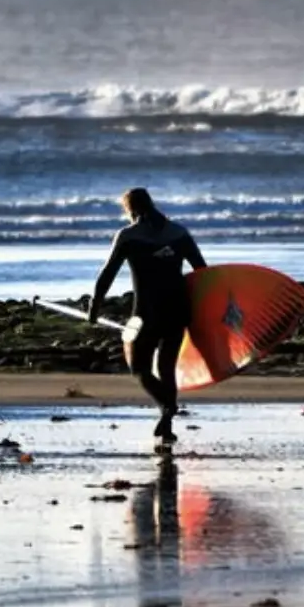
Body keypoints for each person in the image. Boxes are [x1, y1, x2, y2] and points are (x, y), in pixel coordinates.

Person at [89, 187, 207, 448]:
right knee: (166, 367)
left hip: (146, 313)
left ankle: (167, 407)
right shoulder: (179, 232)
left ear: (129, 209)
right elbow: (202, 271)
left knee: (139, 368)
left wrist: (94, 308)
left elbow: (107, 274)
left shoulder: (128, 236)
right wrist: (202, 310)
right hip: (178, 309)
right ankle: (167, 424)